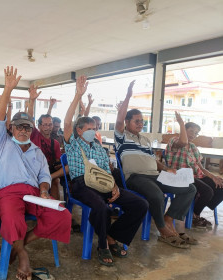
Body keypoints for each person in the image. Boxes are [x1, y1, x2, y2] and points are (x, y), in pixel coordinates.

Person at [0, 66, 71, 280]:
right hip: (8, 193)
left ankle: (18, 245)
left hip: (34, 193)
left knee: (62, 215)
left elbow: (44, 176)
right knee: (11, 217)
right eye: (19, 127)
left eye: (27, 127)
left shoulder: (37, 152)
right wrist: (7, 89)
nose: (23, 130)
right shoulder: (2, 143)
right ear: (11, 128)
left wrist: (44, 190)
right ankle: (23, 255)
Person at [64, 75, 148, 266]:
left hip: (103, 184)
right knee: (101, 207)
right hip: (82, 184)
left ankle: (112, 235)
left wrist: (115, 186)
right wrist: (78, 95)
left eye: (95, 128)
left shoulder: (99, 147)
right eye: (89, 128)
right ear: (79, 131)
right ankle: (103, 245)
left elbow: (107, 172)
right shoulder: (73, 144)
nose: (93, 131)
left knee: (140, 204)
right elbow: (68, 122)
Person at [115, 80, 197, 249]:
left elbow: (154, 161)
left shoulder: (145, 140)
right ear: (127, 122)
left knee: (190, 188)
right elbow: (119, 119)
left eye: (141, 120)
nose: (140, 123)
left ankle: (168, 219)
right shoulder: (121, 137)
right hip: (136, 177)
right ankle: (162, 230)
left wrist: (167, 168)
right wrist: (128, 96)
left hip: (155, 175)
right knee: (157, 194)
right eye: (136, 120)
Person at [165, 113, 223, 228]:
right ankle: (194, 216)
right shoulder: (174, 141)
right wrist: (181, 123)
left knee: (220, 186)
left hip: (196, 176)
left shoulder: (193, 147)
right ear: (184, 130)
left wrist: (213, 177)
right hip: (180, 176)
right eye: (191, 131)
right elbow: (183, 142)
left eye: (196, 133)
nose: (193, 134)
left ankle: (195, 209)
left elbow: (201, 168)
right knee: (207, 191)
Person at [27, 86, 62, 200]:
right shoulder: (35, 135)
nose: (48, 127)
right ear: (39, 126)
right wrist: (32, 100)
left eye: (50, 124)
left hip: (48, 171)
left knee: (56, 180)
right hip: (34, 169)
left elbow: (57, 162)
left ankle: (56, 207)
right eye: (45, 125)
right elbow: (29, 119)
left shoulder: (55, 143)